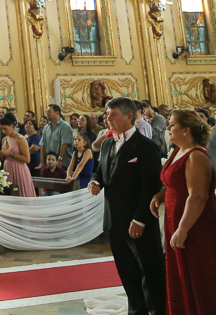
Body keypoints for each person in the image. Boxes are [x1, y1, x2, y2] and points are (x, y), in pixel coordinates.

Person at [88, 97, 165, 315]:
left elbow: (150, 186)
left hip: (138, 221)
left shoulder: (147, 146)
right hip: (114, 220)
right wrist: (95, 182)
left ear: (129, 116)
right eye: (106, 114)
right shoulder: (107, 143)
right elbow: (102, 170)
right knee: (127, 272)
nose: (107, 119)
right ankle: (137, 311)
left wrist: (140, 219)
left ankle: (157, 311)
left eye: (112, 114)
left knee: (149, 271)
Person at [150, 109, 216, 315]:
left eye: (173, 125)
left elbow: (198, 196)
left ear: (186, 129)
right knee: (179, 273)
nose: (168, 128)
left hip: (195, 224)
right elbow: (174, 183)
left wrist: (183, 229)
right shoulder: (179, 150)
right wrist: (159, 197)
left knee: (197, 273)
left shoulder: (197, 155)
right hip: (176, 218)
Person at [0, 113, 34, 196]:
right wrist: (1, 155)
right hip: (8, 168)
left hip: (19, 169)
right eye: (2, 129)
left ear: (12, 126)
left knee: (21, 193)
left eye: (5, 129)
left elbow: (27, 159)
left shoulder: (20, 139)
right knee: (10, 193)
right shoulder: (4, 139)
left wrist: (11, 154)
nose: (4, 131)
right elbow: (5, 158)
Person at [41, 104, 73, 169]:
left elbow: (64, 144)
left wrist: (60, 159)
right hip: (49, 164)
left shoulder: (65, 126)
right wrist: (42, 161)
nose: (47, 114)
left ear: (57, 113)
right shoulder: (46, 127)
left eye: (49, 111)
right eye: (46, 112)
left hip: (62, 164)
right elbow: (43, 145)